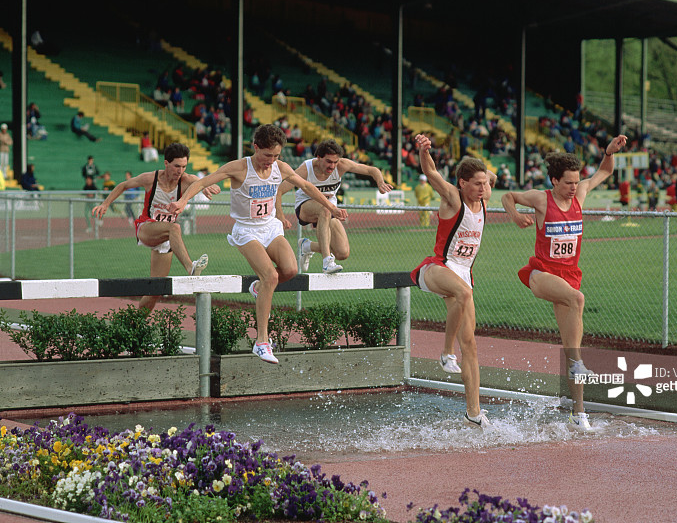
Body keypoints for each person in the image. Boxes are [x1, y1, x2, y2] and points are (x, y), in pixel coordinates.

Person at [166, 124, 348, 364]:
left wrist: (331, 207)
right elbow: (201, 182)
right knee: (271, 277)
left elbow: (305, 186)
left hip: (270, 226)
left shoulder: (279, 167)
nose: (270, 161)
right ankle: (261, 342)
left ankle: (258, 289)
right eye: (266, 155)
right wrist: (182, 202)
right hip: (246, 230)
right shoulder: (240, 167)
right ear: (255, 148)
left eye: (275, 156)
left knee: (290, 270)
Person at [501, 134, 628, 432]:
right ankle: (577, 366)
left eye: (576, 182)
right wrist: (516, 215)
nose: (574, 187)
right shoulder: (541, 199)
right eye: (568, 182)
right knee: (579, 299)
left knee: (574, 351)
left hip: (569, 277)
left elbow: (605, 172)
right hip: (541, 274)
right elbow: (508, 196)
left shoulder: (581, 194)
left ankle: (578, 413)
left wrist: (609, 152)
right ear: (555, 180)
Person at [410, 133, 496, 429]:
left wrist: (485, 175)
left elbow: (488, 176)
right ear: (462, 183)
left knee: (470, 344)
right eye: (477, 183)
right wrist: (423, 151)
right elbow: (431, 172)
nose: (483, 188)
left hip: (463, 273)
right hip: (438, 267)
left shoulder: (484, 195)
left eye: (485, 183)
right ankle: (446, 351)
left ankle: (474, 412)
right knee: (463, 294)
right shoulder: (452, 198)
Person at [92, 142, 218, 313]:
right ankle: (191, 268)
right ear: (166, 163)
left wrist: (208, 185)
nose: (180, 171)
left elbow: (201, 182)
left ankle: (134, 324)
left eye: (184, 166)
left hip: (165, 239)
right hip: (147, 228)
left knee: (156, 290)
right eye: (176, 166)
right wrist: (106, 204)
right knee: (175, 228)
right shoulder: (150, 178)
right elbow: (123, 185)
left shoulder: (186, 180)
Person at [275, 139, 391, 274]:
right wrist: (280, 216)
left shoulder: (342, 165)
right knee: (324, 209)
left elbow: (372, 169)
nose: (332, 166)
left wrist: (380, 182)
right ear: (318, 158)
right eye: (329, 162)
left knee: (342, 253)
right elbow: (279, 190)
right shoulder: (306, 169)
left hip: (330, 211)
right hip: (306, 207)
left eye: (335, 162)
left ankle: (306, 246)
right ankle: (327, 262)